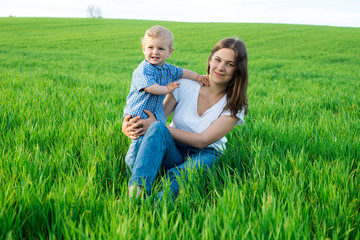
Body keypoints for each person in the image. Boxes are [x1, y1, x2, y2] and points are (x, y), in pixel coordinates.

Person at [122, 38, 248, 199]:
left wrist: (157, 126)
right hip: (174, 148)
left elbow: (203, 140)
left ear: (238, 69)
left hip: (205, 153)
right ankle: (136, 195)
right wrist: (128, 126)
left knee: (181, 174)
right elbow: (156, 120)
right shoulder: (185, 84)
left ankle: (157, 207)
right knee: (156, 128)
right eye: (218, 60)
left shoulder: (235, 105)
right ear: (210, 60)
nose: (221, 68)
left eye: (230, 64)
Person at [123, 25, 208, 125]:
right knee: (141, 137)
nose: (155, 52)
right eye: (150, 47)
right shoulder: (143, 69)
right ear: (144, 49)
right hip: (137, 115)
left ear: (169, 52)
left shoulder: (168, 69)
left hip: (156, 116)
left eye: (161, 48)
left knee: (157, 137)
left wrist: (198, 77)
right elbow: (150, 87)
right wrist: (167, 89)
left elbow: (182, 72)